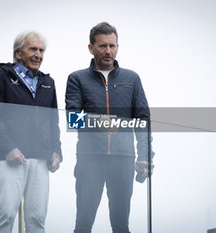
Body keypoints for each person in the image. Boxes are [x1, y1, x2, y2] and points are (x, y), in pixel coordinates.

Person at [65, 22, 153, 233]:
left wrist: (145, 156)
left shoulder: (132, 79)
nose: (108, 51)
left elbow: (143, 121)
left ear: (117, 47)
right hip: (90, 159)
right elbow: (72, 119)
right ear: (91, 48)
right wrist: (97, 122)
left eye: (112, 45)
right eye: (102, 45)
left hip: (123, 159)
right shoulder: (77, 78)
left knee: (121, 225)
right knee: (83, 224)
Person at [0, 31, 62, 233]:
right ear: (18, 54)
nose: (38, 54)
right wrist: (9, 148)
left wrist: (56, 151)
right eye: (33, 49)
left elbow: (53, 122)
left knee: (36, 219)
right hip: (12, 157)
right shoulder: (0, 76)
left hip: (41, 159)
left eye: (41, 50)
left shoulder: (48, 83)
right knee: (6, 215)